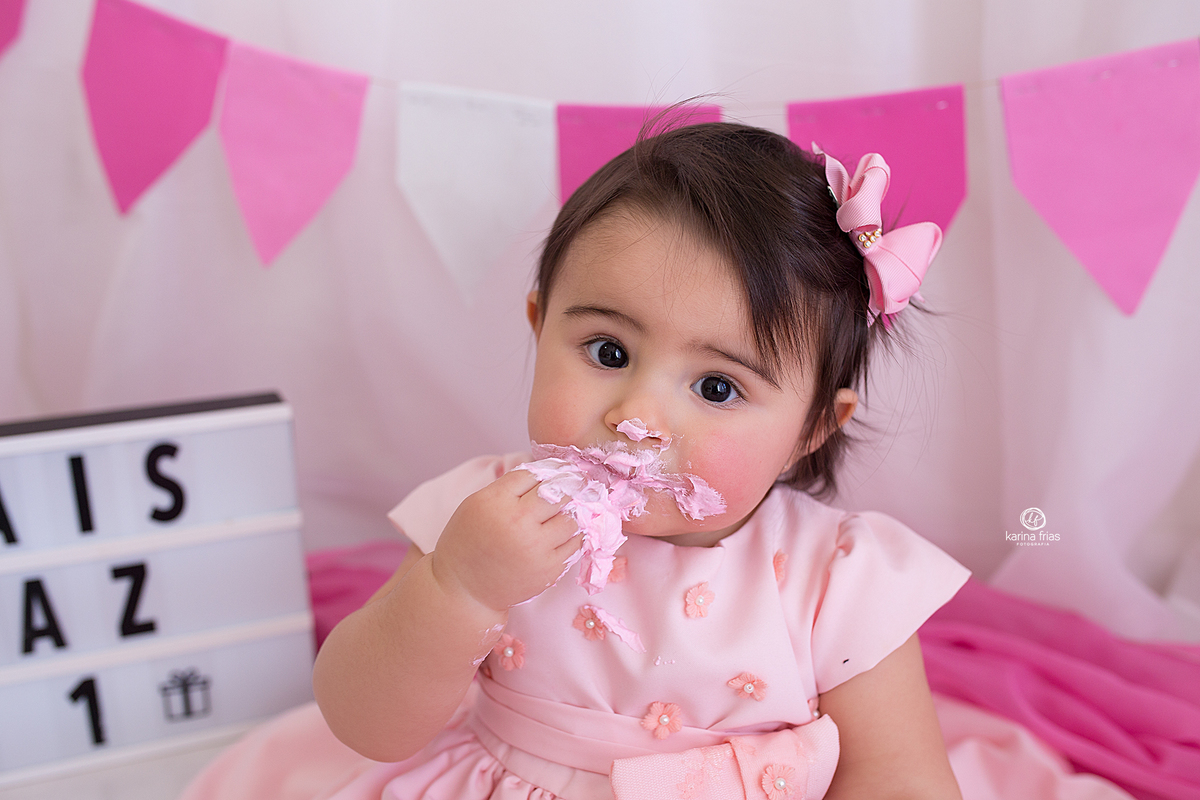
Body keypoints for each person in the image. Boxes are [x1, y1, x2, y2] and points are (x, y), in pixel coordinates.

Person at [189, 120, 970, 800]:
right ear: (539, 324)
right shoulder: (485, 514)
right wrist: (456, 586)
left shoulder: (839, 575)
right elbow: (367, 722)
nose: (635, 417)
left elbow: (901, 780)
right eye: (608, 350)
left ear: (812, 429)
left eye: (716, 386)